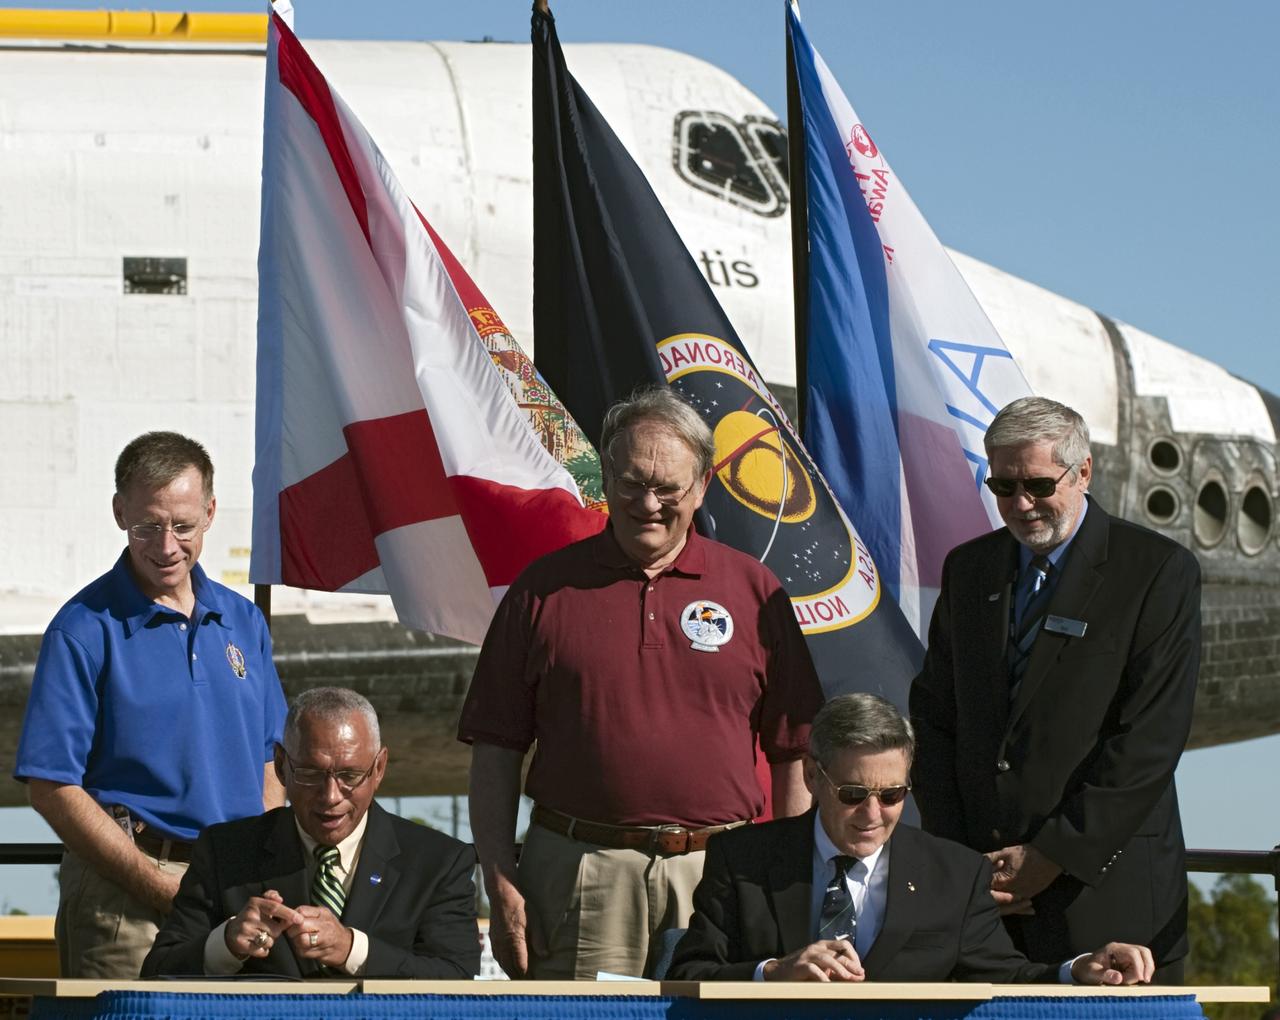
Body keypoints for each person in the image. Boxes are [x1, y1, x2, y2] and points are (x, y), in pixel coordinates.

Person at [458, 387, 825, 980]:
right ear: (605, 476)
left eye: (669, 488)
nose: (649, 503)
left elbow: (797, 753)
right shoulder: (542, 590)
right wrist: (498, 879)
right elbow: (495, 749)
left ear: (702, 485)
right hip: (580, 873)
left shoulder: (756, 592)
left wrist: (786, 888)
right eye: (631, 482)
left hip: (722, 873)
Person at [909, 396, 1200, 981]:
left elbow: (1147, 741)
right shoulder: (970, 570)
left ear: (1083, 472)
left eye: (1039, 485)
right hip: (986, 894)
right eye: (1003, 486)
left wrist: (1053, 856)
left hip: (1103, 892)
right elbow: (936, 721)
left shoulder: (1155, 571)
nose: (1020, 504)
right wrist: (964, 865)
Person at [13, 431, 288, 978]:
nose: (166, 546)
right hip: (126, 900)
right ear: (120, 513)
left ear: (210, 512)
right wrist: (155, 883)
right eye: (148, 526)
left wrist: (261, 876)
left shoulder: (244, 621)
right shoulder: (81, 629)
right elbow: (50, 786)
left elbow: (271, 767)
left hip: (234, 895)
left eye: (183, 526)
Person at [668, 694, 1155, 985]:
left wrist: (1078, 971)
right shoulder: (742, 858)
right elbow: (688, 975)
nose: (873, 815)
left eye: (893, 794)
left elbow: (1007, 980)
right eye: (854, 793)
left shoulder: (956, 874)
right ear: (813, 777)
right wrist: (773, 973)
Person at [142, 687, 481, 978]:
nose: (330, 796)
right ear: (280, 765)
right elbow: (158, 970)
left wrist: (352, 949)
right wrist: (226, 943)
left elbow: (455, 977)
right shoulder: (225, 852)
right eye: (309, 773)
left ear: (379, 768)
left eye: (350, 776)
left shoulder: (439, 862)